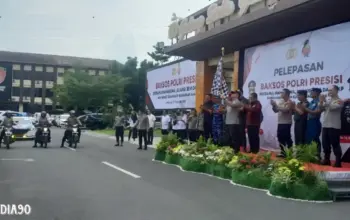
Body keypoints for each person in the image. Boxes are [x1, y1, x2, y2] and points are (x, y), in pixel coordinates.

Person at [319, 85, 343, 167]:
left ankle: (338, 161)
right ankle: (326, 160)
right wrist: (321, 102)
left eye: (331, 90)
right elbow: (321, 108)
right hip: (325, 125)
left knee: (335, 144)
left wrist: (325, 100)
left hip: (334, 126)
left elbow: (332, 107)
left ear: (336, 91)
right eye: (328, 90)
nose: (329, 92)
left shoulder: (339, 101)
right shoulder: (328, 100)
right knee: (325, 144)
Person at [271, 88, 294, 157]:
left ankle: (290, 152)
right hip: (280, 122)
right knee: (280, 137)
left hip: (286, 122)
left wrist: (277, 106)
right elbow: (276, 110)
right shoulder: (280, 101)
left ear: (286, 94)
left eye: (282, 93)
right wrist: (273, 105)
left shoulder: (290, 102)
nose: (281, 94)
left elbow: (286, 110)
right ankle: (283, 152)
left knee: (287, 137)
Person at [302, 88, 322, 159]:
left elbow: (315, 112)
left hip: (315, 122)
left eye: (312, 92)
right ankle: (310, 156)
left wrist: (305, 108)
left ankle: (317, 156)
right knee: (309, 139)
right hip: (309, 122)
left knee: (315, 139)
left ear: (316, 93)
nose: (310, 93)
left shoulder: (319, 102)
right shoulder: (312, 101)